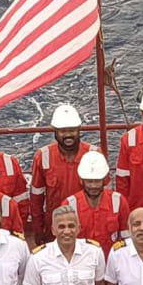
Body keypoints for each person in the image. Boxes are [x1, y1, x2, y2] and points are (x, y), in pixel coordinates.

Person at [64, 150, 129, 285]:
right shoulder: (70, 203)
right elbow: (65, 240)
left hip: (111, 266)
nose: (93, 185)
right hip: (82, 268)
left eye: (97, 180)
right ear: (81, 180)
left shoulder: (119, 201)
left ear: (105, 179)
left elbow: (125, 238)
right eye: (89, 180)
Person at [30, 103, 97, 244]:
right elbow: (36, 198)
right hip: (54, 229)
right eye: (62, 131)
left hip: (86, 227)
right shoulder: (43, 156)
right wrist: (38, 229)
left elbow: (105, 196)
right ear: (55, 131)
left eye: (72, 130)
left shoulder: (94, 154)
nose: (68, 135)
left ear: (79, 129)